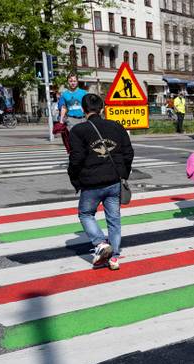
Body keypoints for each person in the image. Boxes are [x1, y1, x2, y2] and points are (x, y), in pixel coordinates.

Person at [67, 93, 134, 271]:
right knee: (114, 219)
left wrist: (75, 179)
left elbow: (76, 159)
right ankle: (114, 258)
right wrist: (123, 174)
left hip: (91, 183)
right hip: (114, 181)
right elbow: (128, 153)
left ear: (83, 109)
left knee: (86, 214)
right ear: (102, 108)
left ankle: (100, 243)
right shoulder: (116, 127)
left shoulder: (78, 131)